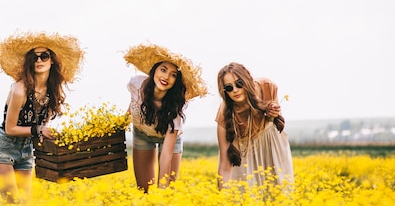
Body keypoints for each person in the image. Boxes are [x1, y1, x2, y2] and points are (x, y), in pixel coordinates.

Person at [0, 32, 84, 202]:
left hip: (26, 150)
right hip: (4, 147)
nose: (39, 61)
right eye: (34, 57)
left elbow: (41, 127)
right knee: (12, 204)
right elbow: (10, 128)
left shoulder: (53, 90)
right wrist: (40, 130)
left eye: (44, 56)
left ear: (52, 60)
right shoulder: (19, 90)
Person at [123, 43, 208, 192]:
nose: (166, 77)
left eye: (173, 75)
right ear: (154, 70)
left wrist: (162, 191)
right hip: (142, 135)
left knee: (166, 190)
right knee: (143, 190)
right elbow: (133, 104)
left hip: (168, 140)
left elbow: (166, 156)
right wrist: (121, 122)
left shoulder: (174, 110)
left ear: (176, 81)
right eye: (163, 70)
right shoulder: (136, 83)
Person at [215, 62, 293, 190]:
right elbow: (224, 164)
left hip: (272, 150)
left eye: (239, 84)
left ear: (247, 80)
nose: (235, 90)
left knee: (280, 195)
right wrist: (221, 201)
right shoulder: (224, 114)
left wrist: (271, 115)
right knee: (244, 200)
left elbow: (276, 123)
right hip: (244, 158)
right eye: (229, 87)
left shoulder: (266, 86)